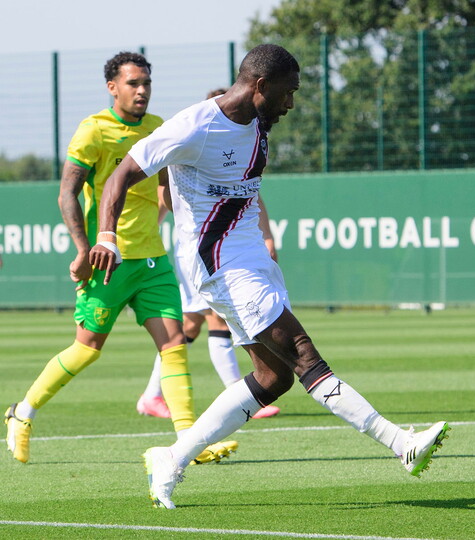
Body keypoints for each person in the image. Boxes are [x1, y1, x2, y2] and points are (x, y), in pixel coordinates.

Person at [89, 44, 450, 509]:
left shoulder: (258, 123)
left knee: (272, 377)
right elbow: (120, 176)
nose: (292, 104)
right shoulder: (194, 125)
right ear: (261, 85)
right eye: (289, 92)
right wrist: (106, 236)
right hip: (220, 266)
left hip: (253, 264)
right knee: (303, 353)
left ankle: (172, 459)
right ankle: (402, 444)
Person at [3, 52, 236, 465]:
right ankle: (22, 413)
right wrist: (82, 249)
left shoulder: (157, 128)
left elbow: (166, 189)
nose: (142, 90)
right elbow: (67, 194)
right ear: (113, 87)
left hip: (153, 261)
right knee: (87, 348)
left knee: (175, 345)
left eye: (146, 82)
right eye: (133, 83)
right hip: (108, 261)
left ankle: (187, 441)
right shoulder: (93, 131)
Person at [137, 87, 280, 421]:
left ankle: (150, 396)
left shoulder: (243, 148)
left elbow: (253, 197)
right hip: (200, 251)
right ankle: (244, 394)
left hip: (219, 250)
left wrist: (268, 236)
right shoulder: (193, 145)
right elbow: (166, 203)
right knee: (214, 321)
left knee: (187, 328)